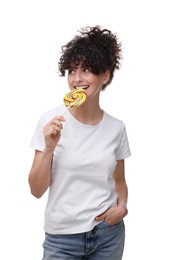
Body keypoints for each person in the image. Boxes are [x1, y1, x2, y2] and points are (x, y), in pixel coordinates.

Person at [28, 25, 131, 260]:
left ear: (105, 75)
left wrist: (122, 205)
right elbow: (36, 190)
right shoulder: (51, 122)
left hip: (108, 235)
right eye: (72, 71)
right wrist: (49, 148)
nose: (76, 79)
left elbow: (120, 181)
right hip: (62, 241)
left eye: (86, 70)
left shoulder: (116, 128)